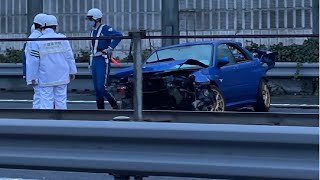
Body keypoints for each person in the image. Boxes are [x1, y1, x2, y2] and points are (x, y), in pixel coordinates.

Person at [28, 15, 77, 109]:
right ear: (55, 26)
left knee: (46, 101)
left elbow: (34, 61)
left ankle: (47, 122)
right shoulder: (63, 39)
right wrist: (72, 71)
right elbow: (69, 56)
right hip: (62, 75)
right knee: (61, 100)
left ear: (42, 27)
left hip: (46, 77)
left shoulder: (38, 41)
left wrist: (32, 76)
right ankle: (62, 121)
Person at [86, 8, 123, 109]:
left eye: (91, 19)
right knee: (97, 89)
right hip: (94, 60)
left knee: (101, 87)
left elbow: (119, 35)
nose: (89, 22)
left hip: (102, 60)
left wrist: (110, 48)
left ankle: (114, 105)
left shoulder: (105, 28)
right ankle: (100, 109)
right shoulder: (92, 31)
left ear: (97, 19)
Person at [24, 14, 47, 109]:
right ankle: (39, 117)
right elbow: (34, 59)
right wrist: (33, 76)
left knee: (38, 95)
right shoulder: (37, 38)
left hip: (35, 72)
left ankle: (37, 117)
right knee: (41, 95)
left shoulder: (34, 36)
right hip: (38, 73)